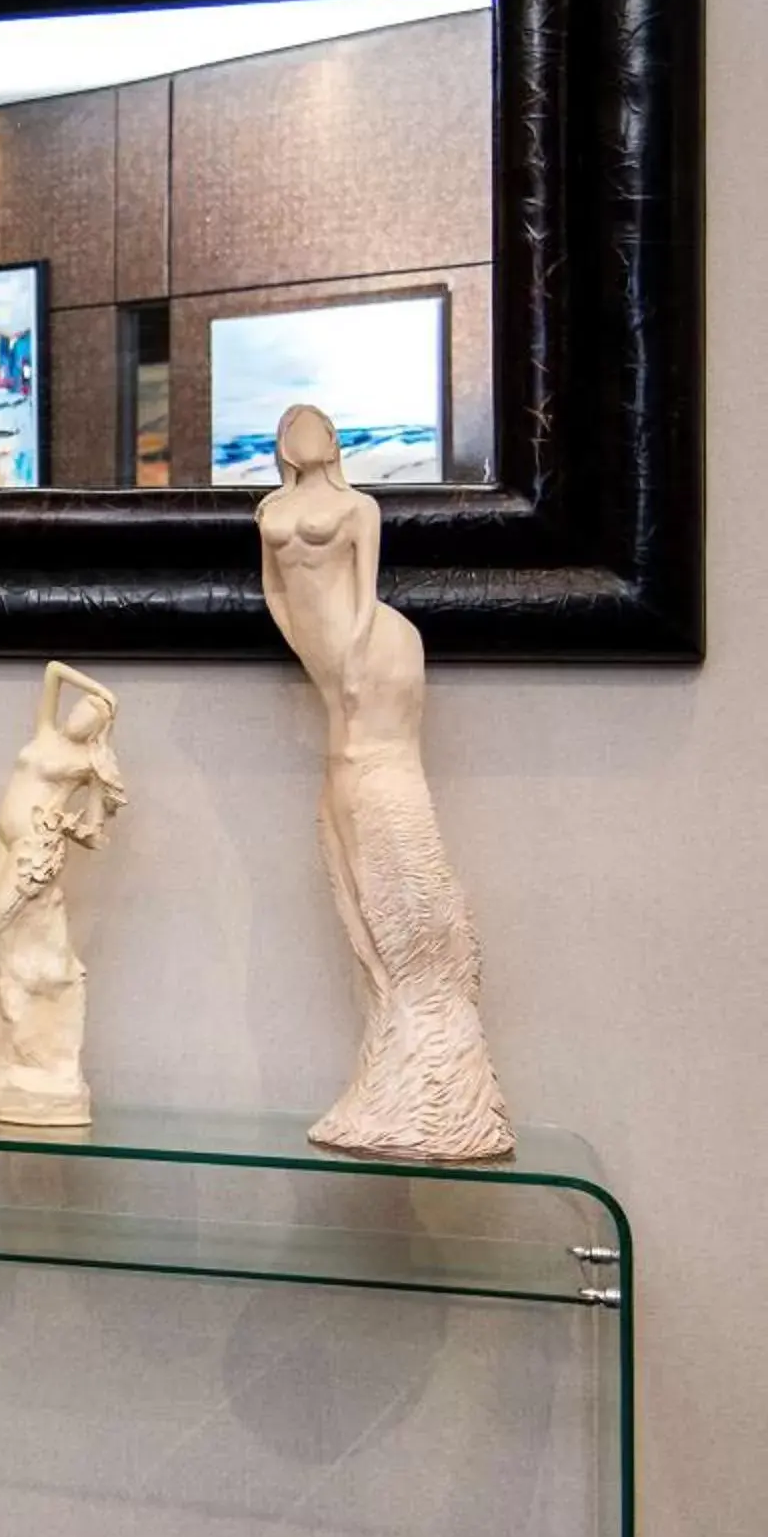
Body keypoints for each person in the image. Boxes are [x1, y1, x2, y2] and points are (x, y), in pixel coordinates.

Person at [258, 404, 511, 1159]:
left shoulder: (358, 507)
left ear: (333, 443)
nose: (305, 442)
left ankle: (439, 1080)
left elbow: (364, 587)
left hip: (362, 643)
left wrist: (356, 644)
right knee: (340, 792)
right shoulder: (270, 510)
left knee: (371, 773)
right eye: (293, 432)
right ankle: (397, 1055)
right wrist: (308, 649)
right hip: (316, 646)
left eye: (317, 432)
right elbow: (277, 589)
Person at [0, 661, 124, 1125]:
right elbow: (54, 671)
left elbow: (96, 836)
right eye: (82, 707)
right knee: (13, 936)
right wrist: (104, 692)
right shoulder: (45, 731)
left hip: (34, 848)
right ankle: (15, 1002)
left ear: (99, 730)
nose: (80, 715)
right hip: (1, 840)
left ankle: (17, 1000)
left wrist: (67, 824)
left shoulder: (89, 765)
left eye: (92, 716)